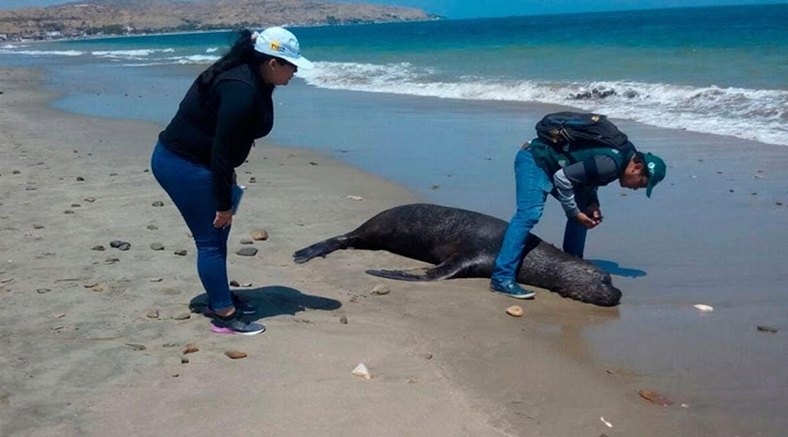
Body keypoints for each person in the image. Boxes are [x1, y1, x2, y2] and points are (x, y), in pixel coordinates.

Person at [151, 27, 313, 334]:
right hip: (183, 165)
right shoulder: (241, 88)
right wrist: (224, 204)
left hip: (202, 164)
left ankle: (219, 296)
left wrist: (226, 185)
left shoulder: (256, 75)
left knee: (218, 238)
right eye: (292, 65)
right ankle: (223, 314)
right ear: (273, 63)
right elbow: (221, 152)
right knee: (211, 240)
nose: (296, 72)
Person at [489, 132, 666, 299]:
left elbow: (588, 178)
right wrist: (574, 213)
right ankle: (502, 278)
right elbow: (562, 178)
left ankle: (573, 266)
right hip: (536, 160)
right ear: (637, 167)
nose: (636, 189)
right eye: (641, 184)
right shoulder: (612, 163)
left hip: (557, 165)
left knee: (584, 211)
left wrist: (592, 203)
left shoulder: (622, 159)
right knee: (528, 214)